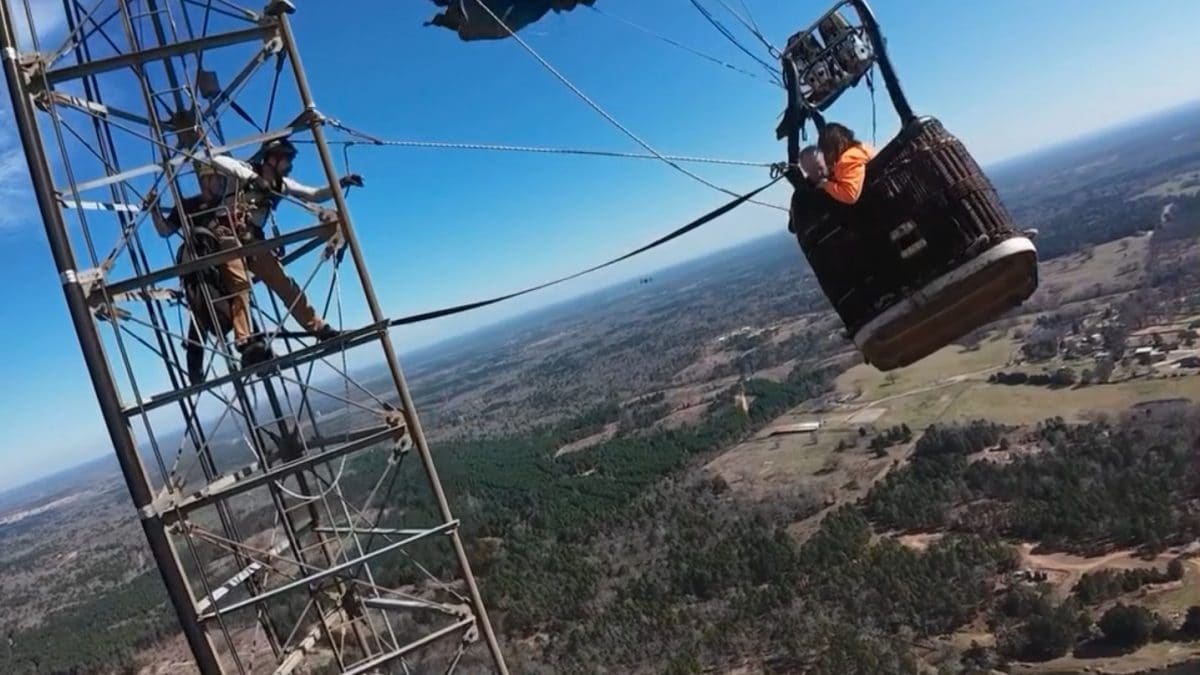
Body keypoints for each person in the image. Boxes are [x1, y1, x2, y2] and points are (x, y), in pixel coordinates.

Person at [202, 137, 363, 366]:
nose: (289, 165)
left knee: (284, 284)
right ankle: (245, 342)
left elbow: (314, 194)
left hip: (252, 238)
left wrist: (341, 182)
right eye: (286, 159)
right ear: (273, 159)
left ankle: (318, 327)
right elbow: (215, 159)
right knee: (239, 285)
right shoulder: (243, 172)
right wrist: (254, 178)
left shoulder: (282, 184)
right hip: (226, 234)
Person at [815, 122, 873, 205]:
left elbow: (850, 195)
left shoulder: (848, 160)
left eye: (826, 151)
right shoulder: (859, 150)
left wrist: (826, 185)